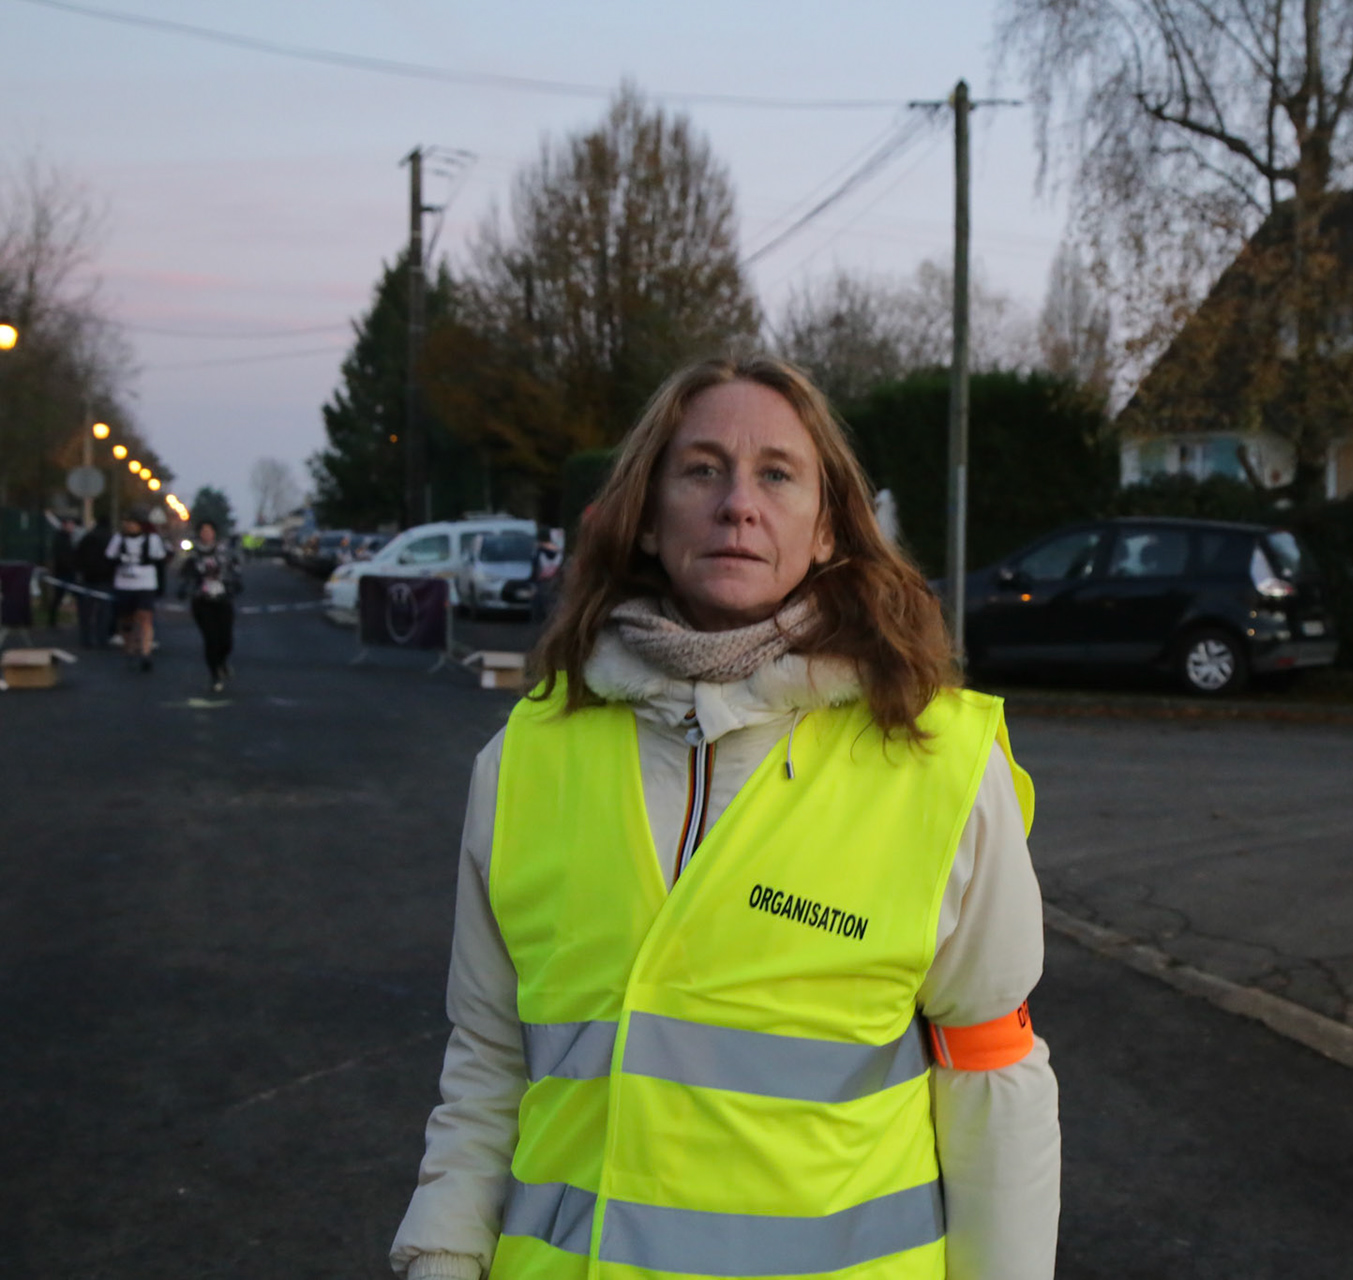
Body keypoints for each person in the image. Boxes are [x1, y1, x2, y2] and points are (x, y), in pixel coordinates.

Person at [390, 356, 1061, 1280]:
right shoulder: (528, 757)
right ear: (647, 516)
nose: (738, 504)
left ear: (826, 529)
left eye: (777, 474)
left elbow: (994, 1079)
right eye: (701, 470)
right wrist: (441, 1258)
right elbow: (488, 1058)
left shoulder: (939, 761)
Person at [179, 519, 242, 693]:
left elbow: (235, 569)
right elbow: (185, 574)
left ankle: (222, 661)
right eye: (203, 531)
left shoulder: (224, 551)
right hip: (202, 601)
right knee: (211, 639)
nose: (206, 534)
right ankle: (215, 675)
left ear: (214, 533)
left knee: (226, 640)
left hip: (222, 599)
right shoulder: (193, 554)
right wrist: (185, 588)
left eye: (209, 530)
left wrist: (235, 584)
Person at [105, 515, 169, 672]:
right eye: (127, 523)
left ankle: (146, 652)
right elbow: (109, 556)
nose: (130, 526)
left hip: (145, 583)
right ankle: (129, 647)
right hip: (124, 584)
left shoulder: (152, 539)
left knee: (145, 616)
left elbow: (160, 558)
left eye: (133, 523)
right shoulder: (118, 539)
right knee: (126, 619)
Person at [74, 518, 115, 648]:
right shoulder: (110, 538)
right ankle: (102, 639)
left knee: (86, 613)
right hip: (105, 579)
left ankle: (86, 640)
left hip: (87, 579)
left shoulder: (87, 538)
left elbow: (78, 555)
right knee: (104, 613)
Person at [44, 515, 78, 628]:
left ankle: (53, 620)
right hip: (63, 572)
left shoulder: (69, 538)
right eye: (70, 524)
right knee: (58, 596)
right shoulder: (60, 539)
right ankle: (52, 620)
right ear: (64, 525)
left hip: (68, 571)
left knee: (75, 595)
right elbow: (61, 556)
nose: (72, 527)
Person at [526, 527, 563, 627]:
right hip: (554, 582)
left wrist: (531, 582)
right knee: (552, 608)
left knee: (539, 609)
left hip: (541, 582)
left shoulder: (538, 551)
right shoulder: (558, 550)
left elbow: (535, 568)